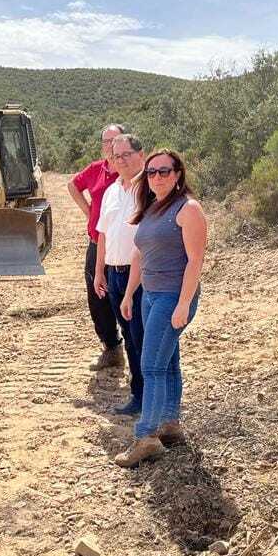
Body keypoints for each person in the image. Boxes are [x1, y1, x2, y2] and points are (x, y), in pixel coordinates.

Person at [115, 149, 207, 468]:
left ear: (178, 174)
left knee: (151, 365)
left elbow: (195, 260)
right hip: (150, 296)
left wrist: (183, 304)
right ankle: (169, 425)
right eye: (152, 172)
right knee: (166, 363)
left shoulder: (188, 209)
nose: (157, 177)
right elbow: (140, 254)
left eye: (164, 171)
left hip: (172, 297)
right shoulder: (153, 207)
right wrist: (129, 294)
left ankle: (146, 437)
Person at [93, 133, 145, 415]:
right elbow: (103, 234)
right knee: (128, 332)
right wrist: (99, 271)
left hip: (139, 277)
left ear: (141, 155)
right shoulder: (112, 191)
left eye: (126, 154)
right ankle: (140, 393)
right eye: (116, 156)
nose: (121, 160)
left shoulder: (150, 188)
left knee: (141, 335)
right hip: (114, 274)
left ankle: (144, 395)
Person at [68, 125, 124, 370]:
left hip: (122, 246)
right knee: (97, 298)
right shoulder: (95, 170)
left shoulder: (130, 173)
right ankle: (111, 349)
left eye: (115, 140)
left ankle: (137, 352)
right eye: (106, 141)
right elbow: (72, 186)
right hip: (96, 243)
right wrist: (89, 212)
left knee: (124, 295)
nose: (110, 145)